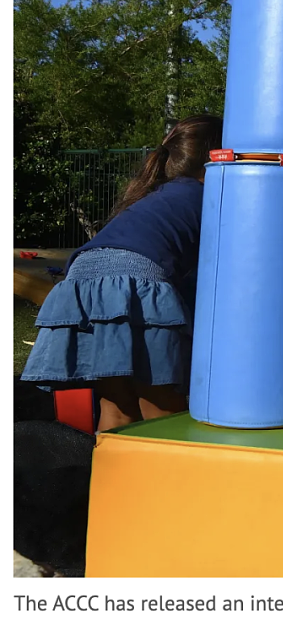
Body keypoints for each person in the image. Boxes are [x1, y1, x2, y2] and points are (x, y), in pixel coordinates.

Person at [21, 115, 224, 432]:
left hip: (79, 283)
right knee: (164, 411)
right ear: (218, 160)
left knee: (116, 410)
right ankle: (172, 479)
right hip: (134, 280)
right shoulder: (213, 197)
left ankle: (110, 479)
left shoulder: (152, 197)